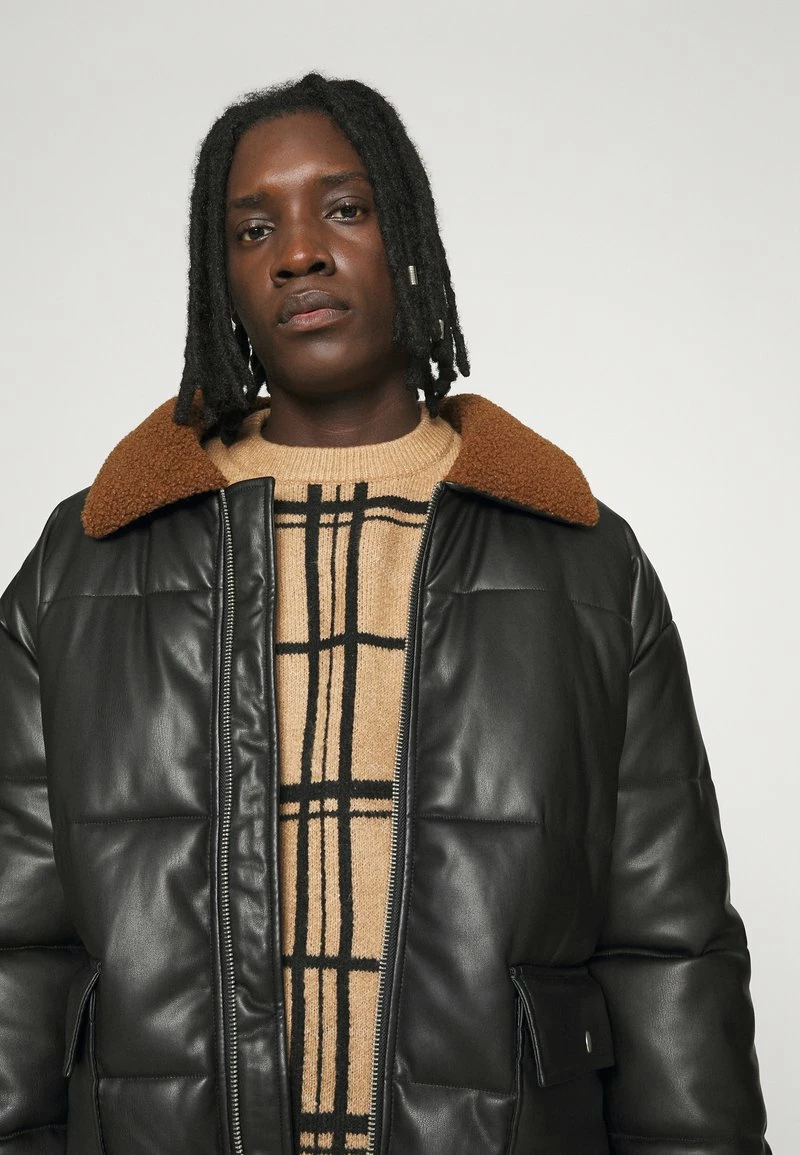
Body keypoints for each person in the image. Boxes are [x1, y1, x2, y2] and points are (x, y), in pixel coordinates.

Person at [0, 71, 770, 1155]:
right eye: (253, 229)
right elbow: (16, 947)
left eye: (344, 208)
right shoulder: (83, 565)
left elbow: (669, 949)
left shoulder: (584, 565)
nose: (298, 252)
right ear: (221, 280)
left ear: (406, 235)